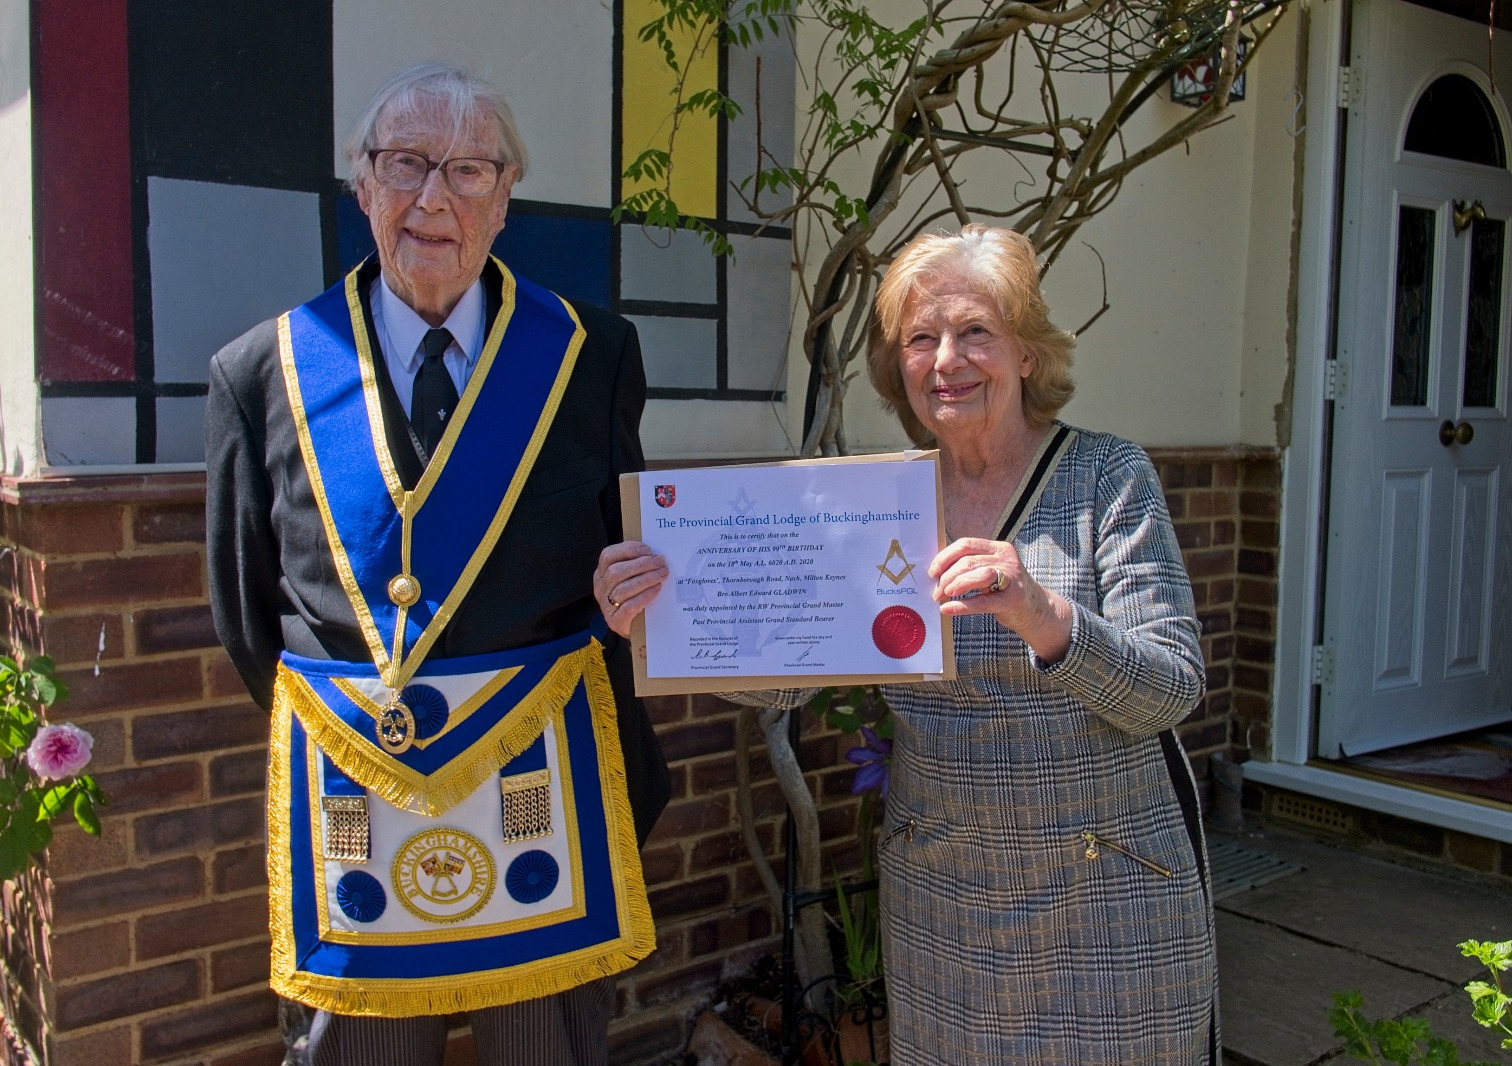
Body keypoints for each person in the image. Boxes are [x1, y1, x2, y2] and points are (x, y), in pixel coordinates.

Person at [597, 224, 1218, 1063]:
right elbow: (784, 683)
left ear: (1027, 351)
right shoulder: (879, 499)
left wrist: (1043, 615)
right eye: (920, 339)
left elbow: (1172, 688)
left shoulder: (1108, 477)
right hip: (945, 903)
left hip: (1104, 891)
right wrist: (668, 617)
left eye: (975, 332)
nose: (946, 360)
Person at [206, 62, 670, 1066]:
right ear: (360, 184)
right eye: (405, 164)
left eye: (467, 170)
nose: (433, 199)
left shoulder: (590, 356)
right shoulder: (261, 372)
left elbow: (624, 560)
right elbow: (247, 615)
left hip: (542, 794)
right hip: (360, 811)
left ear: (505, 198)